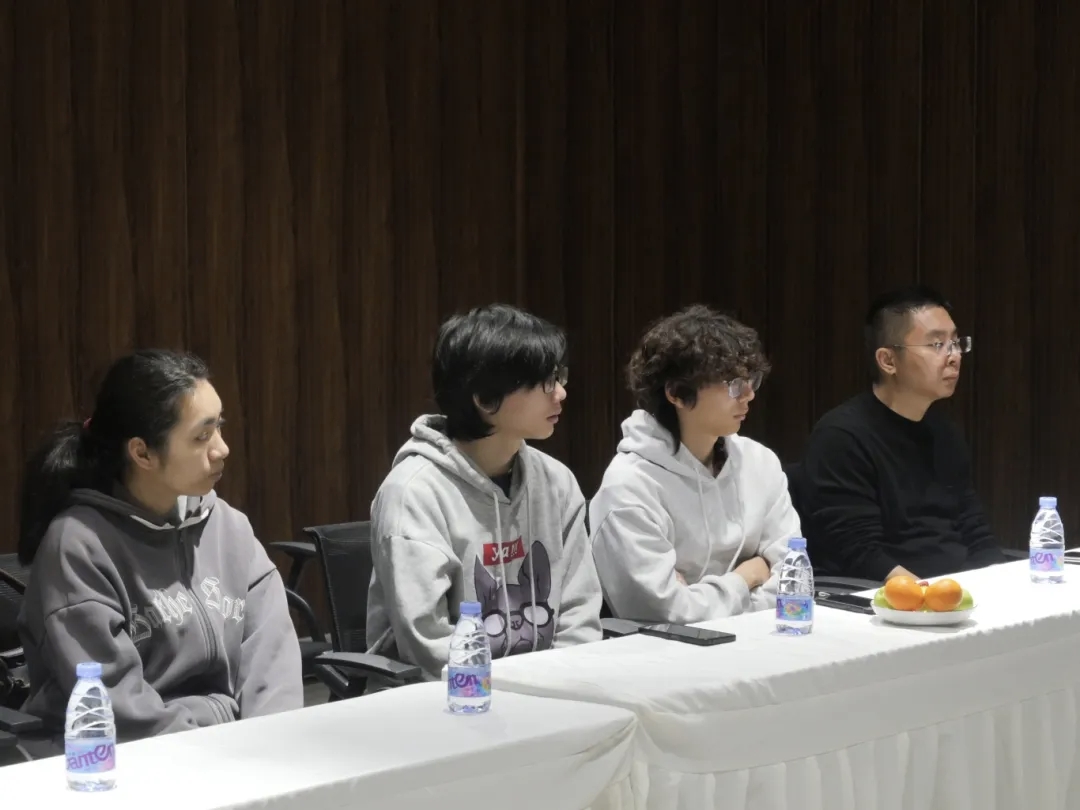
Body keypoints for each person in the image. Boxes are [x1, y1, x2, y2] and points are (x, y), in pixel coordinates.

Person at [17, 350, 302, 745]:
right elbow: (118, 708)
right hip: (122, 760)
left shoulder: (229, 527)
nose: (222, 449)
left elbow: (273, 655)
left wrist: (272, 743)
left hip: (236, 751)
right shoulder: (78, 547)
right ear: (142, 453)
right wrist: (222, 753)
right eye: (202, 436)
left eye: (219, 426)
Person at [366, 304, 603, 681]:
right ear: (485, 398)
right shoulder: (413, 494)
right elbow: (430, 647)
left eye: (559, 377)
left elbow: (580, 615)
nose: (560, 393)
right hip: (445, 699)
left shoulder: (556, 482)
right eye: (544, 382)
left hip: (550, 692)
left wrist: (558, 688)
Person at [589, 305, 800, 623]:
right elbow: (662, 611)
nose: (748, 395)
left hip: (763, 637)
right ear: (676, 393)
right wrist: (747, 576)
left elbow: (793, 578)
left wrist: (703, 599)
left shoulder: (760, 462)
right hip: (668, 650)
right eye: (733, 384)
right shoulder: (629, 486)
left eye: (751, 381)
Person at [801, 286, 1006, 581]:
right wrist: (925, 595)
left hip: (955, 588)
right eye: (937, 344)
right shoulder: (842, 436)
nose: (954, 356)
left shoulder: (944, 432)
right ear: (888, 360)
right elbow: (859, 552)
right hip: (888, 596)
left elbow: (975, 531)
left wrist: (999, 582)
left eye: (955, 342)